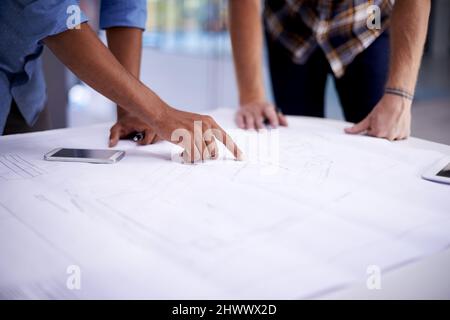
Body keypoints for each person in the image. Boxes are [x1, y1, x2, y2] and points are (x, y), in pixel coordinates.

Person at [0, 0, 242, 163]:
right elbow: (47, 11)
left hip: (25, 89)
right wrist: (159, 114)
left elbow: (124, 5)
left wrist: (131, 112)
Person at [228, 0, 431, 141]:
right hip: (289, 26)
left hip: (370, 20)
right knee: (295, 141)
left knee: (381, 135)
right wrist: (251, 96)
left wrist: (400, 94)